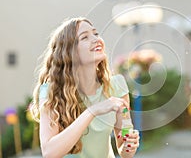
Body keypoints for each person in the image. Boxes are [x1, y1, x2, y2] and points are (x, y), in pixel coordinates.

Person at [30, 17, 139, 158]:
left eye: (96, 33)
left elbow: (124, 151)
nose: (96, 39)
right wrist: (93, 111)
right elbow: (49, 152)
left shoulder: (117, 86)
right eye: (85, 37)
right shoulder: (52, 91)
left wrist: (129, 144)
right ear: (70, 52)